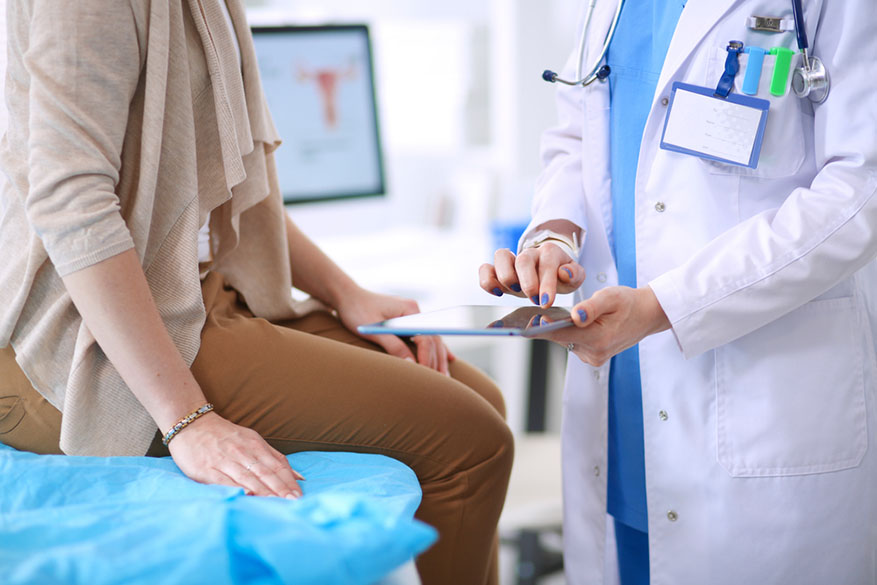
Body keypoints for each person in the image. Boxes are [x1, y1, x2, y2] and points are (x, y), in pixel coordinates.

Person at [0, 2, 513, 584]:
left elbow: (225, 181)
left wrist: (345, 291)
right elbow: (71, 206)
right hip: (70, 342)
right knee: (471, 440)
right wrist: (187, 421)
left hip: (193, 294)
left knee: (477, 398)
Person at [480, 0, 876, 583]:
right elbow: (578, 131)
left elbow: (860, 188)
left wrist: (667, 305)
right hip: (623, 408)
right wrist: (555, 234)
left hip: (761, 407)